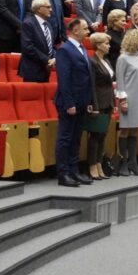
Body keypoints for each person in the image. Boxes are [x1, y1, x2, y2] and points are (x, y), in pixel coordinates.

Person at [54, 18, 96, 187]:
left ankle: (74, 170)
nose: (88, 32)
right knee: (65, 138)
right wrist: (69, 103)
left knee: (76, 138)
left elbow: (87, 78)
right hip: (69, 103)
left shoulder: (81, 48)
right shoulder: (65, 50)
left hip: (82, 101)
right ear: (75, 30)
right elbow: (64, 80)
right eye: (85, 29)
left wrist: (89, 101)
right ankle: (63, 174)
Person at [85, 32, 115, 180]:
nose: (109, 46)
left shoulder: (107, 61)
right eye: (106, 43)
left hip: (108, 101)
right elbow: (91, 85)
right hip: (99, 102)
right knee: (95, 136)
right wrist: (95, 105)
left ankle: (99, 163)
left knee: (103, 135)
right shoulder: (93, 62)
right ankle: (92, 165)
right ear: (98, 45)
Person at [19, 0, 57, 83]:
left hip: (46, 70)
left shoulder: (48, 25)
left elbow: (52, 46)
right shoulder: (28, 23)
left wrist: (54, 58)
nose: (51, 10)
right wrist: (47, 60)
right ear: (39, 9)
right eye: (48, 7)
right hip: (32, 70)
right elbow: (28, 47)